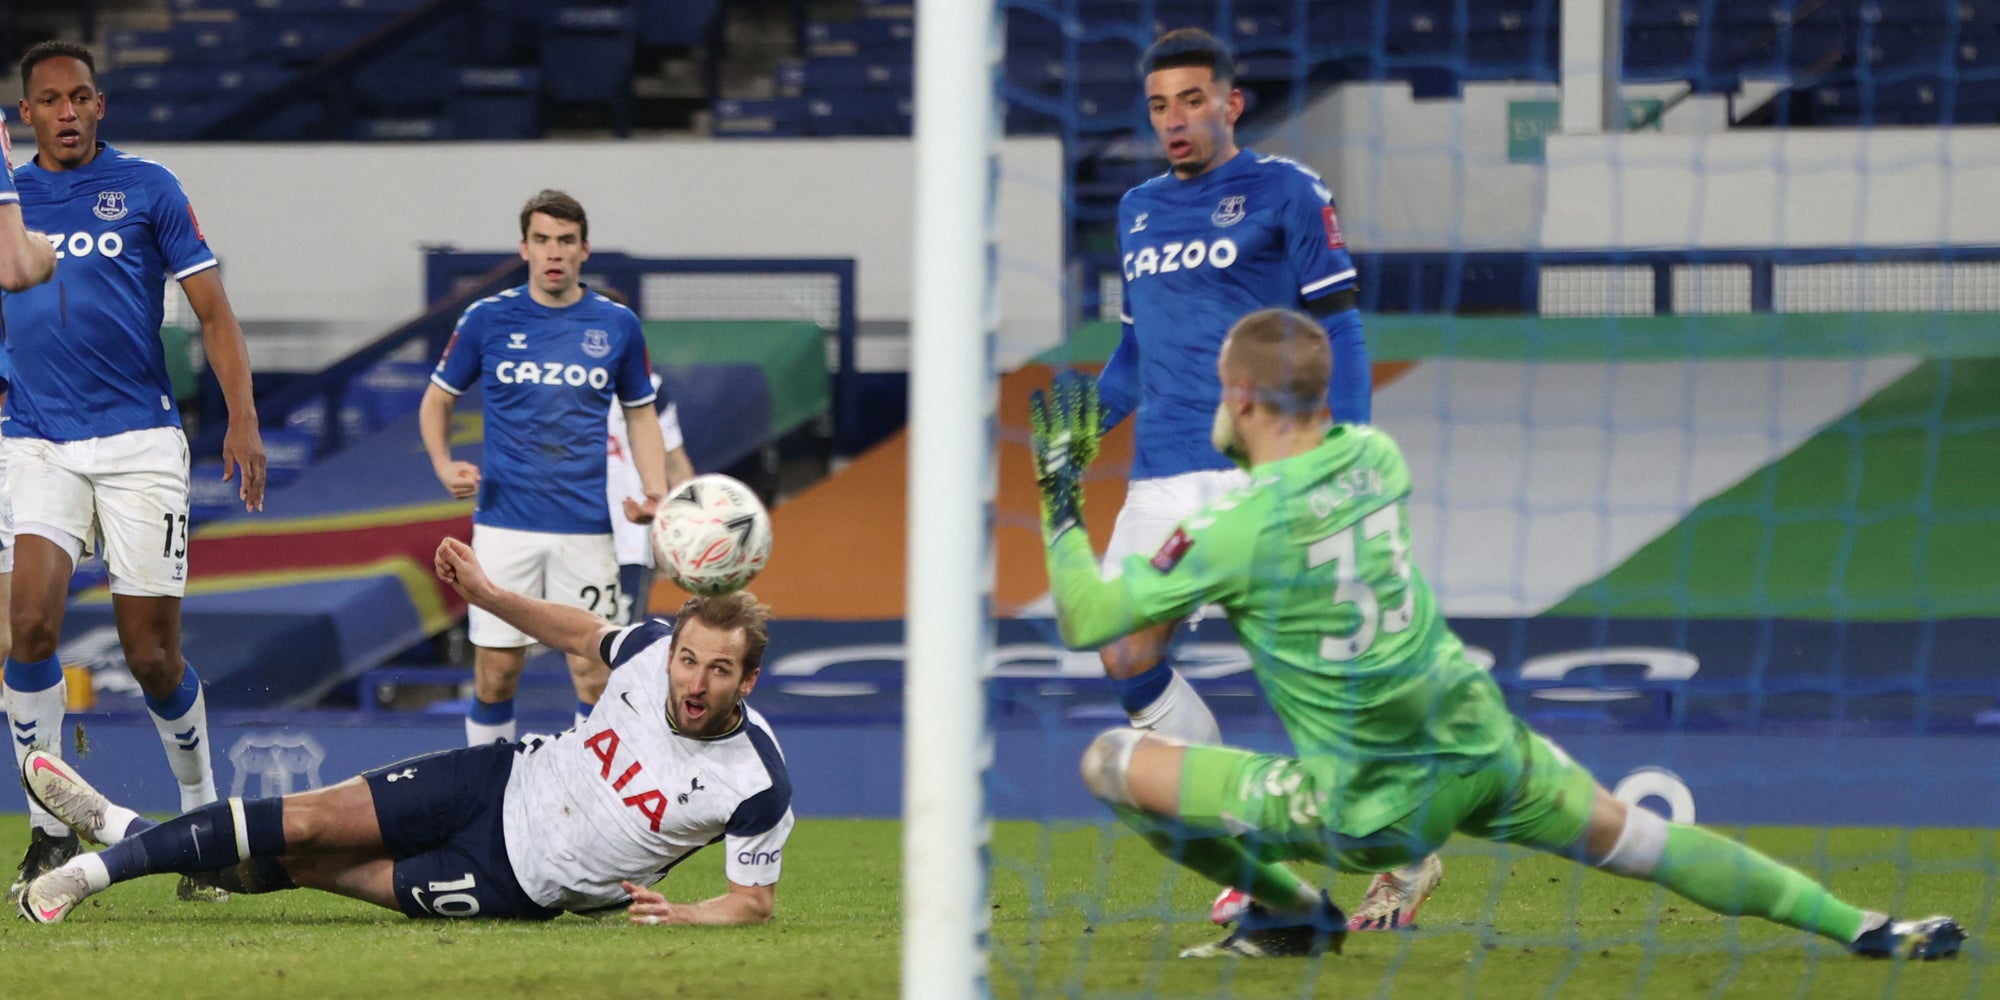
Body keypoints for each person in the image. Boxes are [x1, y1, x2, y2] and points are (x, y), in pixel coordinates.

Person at [1027, 308, 1964, 960]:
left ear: (1239, 396)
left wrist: (1059, 497)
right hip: (1483, 746)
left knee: (1113, 762)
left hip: (1369, 805)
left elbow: (1088, 621)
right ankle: (1867, 926)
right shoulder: (1376, 458)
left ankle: (1291, 910)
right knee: (1642, 840)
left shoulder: (1231, 530)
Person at [1097, 27, 1437, 931]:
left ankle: (1403, 852)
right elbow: (1135, 353)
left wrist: (1345, 449)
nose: (1175, 119)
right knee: (1125, 654)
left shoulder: (1289, 191)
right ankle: (1254, 855)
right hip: (1160, 478)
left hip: (1259, 472)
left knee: (1311, 675)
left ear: (1231, 103)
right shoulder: (1136, 211)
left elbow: (1341, 328)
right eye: (1160, 105)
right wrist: (1083, 428)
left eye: (1192, 99)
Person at [15, 536, 793, 926]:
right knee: (306, 820)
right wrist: (490, 594)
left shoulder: (756, 780)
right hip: (498, 779)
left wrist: (683, 914)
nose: (693, 682)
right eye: (688, 660)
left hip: (514, 881)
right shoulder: (650, 649)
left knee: (306, 865)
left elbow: (752, 901)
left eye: (717, 671)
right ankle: (90, 875)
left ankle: (123, 829)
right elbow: (581, 632)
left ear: (748, 681)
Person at [3, 41, 266, 906]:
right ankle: (48, 831)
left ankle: (202, 822)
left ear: (100, 104)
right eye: (51, 100)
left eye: (80, 97)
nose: (67, 112)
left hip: (140, 442)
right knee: (27, 627)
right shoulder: (9, 201)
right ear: (27, 113)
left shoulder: (149, 187)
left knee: (152, 656)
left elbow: (213, 311)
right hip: (36, 440)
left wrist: (243, 417)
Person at [419, 190, 670, 743]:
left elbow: (641, 414)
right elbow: (437, 399)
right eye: (542, 240)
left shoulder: (617, 325)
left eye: (565, 240)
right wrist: (443, 464)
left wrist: (654, 491)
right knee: (496, 673)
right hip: (503, 525)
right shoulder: (486, 318)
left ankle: (589, 791)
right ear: (524, 248)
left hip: (586, 529)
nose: (554, 251)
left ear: (584, 249)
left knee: (595, 675)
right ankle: (489, 789)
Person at [607, 372, 695, 624]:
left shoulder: (649, 388)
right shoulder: (549, 382)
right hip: (564, 533)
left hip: (629, 542)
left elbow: (675, 465)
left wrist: (692, 533)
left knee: (617, 637)